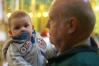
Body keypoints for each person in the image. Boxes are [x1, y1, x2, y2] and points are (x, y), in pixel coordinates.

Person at [46, 0, 99, 66]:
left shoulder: (73, 63)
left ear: (71, 25)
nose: (47, 25)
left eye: (51, 19)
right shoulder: (93, 57)